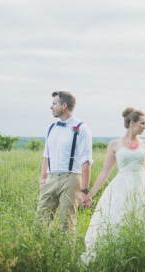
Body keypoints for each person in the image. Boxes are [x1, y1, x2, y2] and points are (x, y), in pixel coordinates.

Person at [80, 107, 145, 264]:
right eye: (142, 123)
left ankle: (143, 256)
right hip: (121, 186)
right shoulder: (115, 144)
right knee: (119, 219)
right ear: (132, 123)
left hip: (142, 185)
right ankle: (118, 255)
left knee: (144, 220)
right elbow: (105, 172)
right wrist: (90, 194)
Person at [36, 90, 93, 232]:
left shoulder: (81, 128)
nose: (51, 107)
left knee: (67, 223)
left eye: (54, 104)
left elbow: (86, 161)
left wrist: (85, 190)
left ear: (64, 106)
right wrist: (43, 178)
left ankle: (67, 254)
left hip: (71, 178)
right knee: (40, 221)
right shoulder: (52, 128)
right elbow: (46, 155)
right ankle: (39, 253)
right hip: (51, 178)